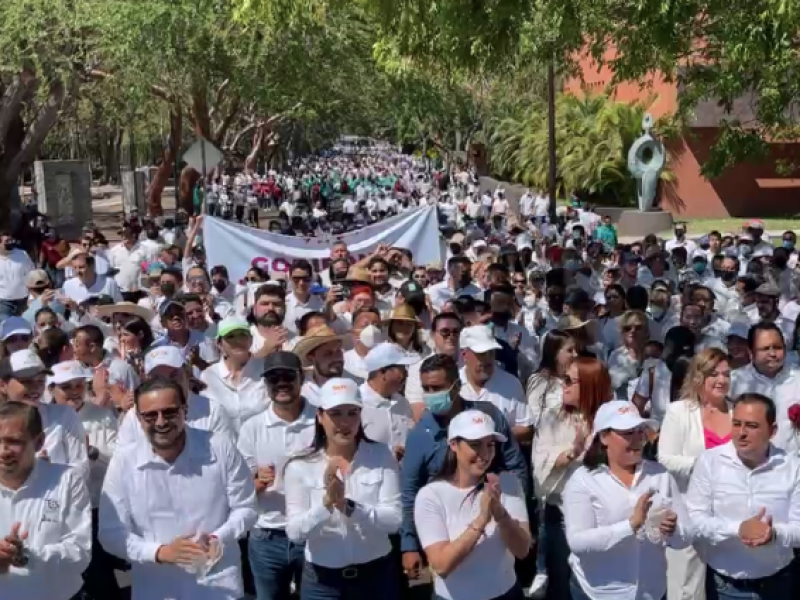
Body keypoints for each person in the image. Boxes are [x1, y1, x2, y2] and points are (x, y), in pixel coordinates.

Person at [99, 377, 258, 600]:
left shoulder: (220, 447)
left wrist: (218, 537)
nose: (161, 422)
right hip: (157, 589)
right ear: (138, 419)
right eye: (150, 415)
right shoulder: (124, 462)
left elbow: (246, 508)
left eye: (170, 412)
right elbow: (110, 533)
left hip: (218, 586)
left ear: (185, 410)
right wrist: (161, 553)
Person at [399, 355, 529, 586]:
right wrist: (409, 545)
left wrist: (519, 516)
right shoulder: (420, 435)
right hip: (446, 531)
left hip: (497, 522)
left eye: (437, 388)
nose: (431, 394)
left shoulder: (488, 414)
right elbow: (409, 491)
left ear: (456, 386)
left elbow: (514, 464)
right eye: (426, 388)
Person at [284, 377, 403, 600]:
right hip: (323, 582)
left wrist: (349, 507)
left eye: (352, 413)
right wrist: (327, 504)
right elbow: (295, 532)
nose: (345, 422)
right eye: (336, 413)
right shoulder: (299, 466)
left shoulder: (381, 455)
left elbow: (394, 520)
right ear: (320, 416)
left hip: (376, 575)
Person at [563, 400, 690, 600]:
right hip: (598, 594)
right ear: (604, 437)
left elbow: (686, 535)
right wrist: (631, 525)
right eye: (628, 433)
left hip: (652, 592)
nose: (637, 439)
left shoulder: (660, 475)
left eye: (640, 431)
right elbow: (577, 542)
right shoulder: (583, 480)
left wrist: (673, 530)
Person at [686, 393, 800, 600]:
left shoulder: (792, 467)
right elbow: (693, 521)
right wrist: (737, 529)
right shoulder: (709, 462)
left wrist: (773, 534)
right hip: (725, 586)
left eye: (752, 426)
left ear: (772, 430)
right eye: (737, 424)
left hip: (779, 582)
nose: (741, 433)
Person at [414, 409, 531, 600]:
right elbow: (441, 565)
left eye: (490, 444)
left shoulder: (509, 483)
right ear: (453, 445)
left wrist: (501, 515)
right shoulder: (431, 495)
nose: (484, 454)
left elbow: (522, 549)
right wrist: (482, 520)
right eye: (475, 445)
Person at [237, 351, 317, 600]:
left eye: (287, 376)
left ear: (301, 378)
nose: (281, 383)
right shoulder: (252, 428)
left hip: (313, 533)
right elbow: (239, 489)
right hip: (267, 536)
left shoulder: (322, 419)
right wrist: (257, 482)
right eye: (273, 378)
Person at [657, 347, 732, 600]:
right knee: (687, 589)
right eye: (714, 374)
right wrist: (706, 465)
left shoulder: (737, 411)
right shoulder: (679, 411)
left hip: (730, 514)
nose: (722, 380)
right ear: (699, 376)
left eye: (726, 374)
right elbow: (665, 458)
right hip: (689, 512)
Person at [0, 401, 92, 600]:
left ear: (40, 442)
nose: (3, 451)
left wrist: (28, 556)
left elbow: (80, 552)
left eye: (14, 442)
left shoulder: (67, 480)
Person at [47, 359, 122, 599]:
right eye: (65, 387)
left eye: (78, 385)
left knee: (99, 570)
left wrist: (94, 454)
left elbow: (118, 459)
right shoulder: (44, 418)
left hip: (95, 505)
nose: (73, 392)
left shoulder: (102, 416)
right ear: (52, 389)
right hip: (57, 507)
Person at [0, 349, 90, 479]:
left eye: (40, 381)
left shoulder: (64, 415)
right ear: (3, 385)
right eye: (26, 381)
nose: (35, 388)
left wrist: (49, 473)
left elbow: (80, 468)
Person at [118, 345, 233, 446]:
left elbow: (226, 457)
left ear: (186, 372)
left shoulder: (213, 412)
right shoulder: (133, 417)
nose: (167, 385)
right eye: (158, 379)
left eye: (173, 375)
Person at [729, 322, 800, 453]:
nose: (772, 353)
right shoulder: (734, 383)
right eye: (765, 348)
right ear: (751, 352)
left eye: (777, 347)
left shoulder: (797, 379)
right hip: (748, 464)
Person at [459, 325, 533, 444]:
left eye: (491, 352)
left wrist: (497, 436)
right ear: (464, 355)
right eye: (481, 353)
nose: (488, 359)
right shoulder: (454, 384)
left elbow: (526, 428)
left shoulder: (511, 384)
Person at [201, 317, 268, 435]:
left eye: (242, 335)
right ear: (219, 344)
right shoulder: (208, 376)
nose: (238, 341)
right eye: (230, 337)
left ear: (251, 340)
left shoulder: (266, 369)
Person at [359, 342, 417, 459]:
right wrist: (388, 454)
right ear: (382, 372)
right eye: (401, 369)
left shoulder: (403, 403)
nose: (406, 374)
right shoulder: (356, 403)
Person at [0, 228, 36, 319]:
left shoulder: (22, 255)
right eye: (7, 241)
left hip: (23, 300)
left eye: (11, 240)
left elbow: (32, 275)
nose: (10, 243)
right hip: (4, 302)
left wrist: (32, 296)